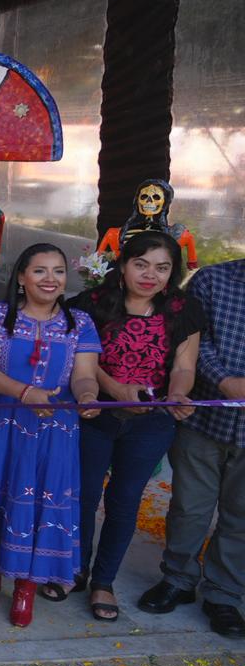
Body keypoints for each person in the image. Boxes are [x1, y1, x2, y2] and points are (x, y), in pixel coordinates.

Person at [0, 243, 101, 627]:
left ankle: (26, 588)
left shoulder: (80, 323)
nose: (51, 279)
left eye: (59, 271)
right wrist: (26, 393)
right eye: (41, 271)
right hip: (1, 428)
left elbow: (83, 375)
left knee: (38, 506)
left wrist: (88, 397)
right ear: (22, 277)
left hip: (54, 433)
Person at [58, 231, 203, 622]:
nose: (150, 275)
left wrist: (175, 395)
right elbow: (81, 361)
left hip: (151, 423)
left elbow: (184, 366)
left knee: (125, 503)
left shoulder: (182, 309)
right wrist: (118, 390)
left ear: (172, 273)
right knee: (83, 497)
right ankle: (75, 569)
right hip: (94, 415)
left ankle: (104, 582)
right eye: (141, 264)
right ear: (123, 265)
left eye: (162, 267)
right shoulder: (91, 304)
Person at [137, 256, 245, 638]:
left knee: (240, 516)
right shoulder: (213, 280)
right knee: (189, 507)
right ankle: (178, 579)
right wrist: (224, 380)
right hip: (204, 420)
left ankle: (224, 595)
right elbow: (194, 339)